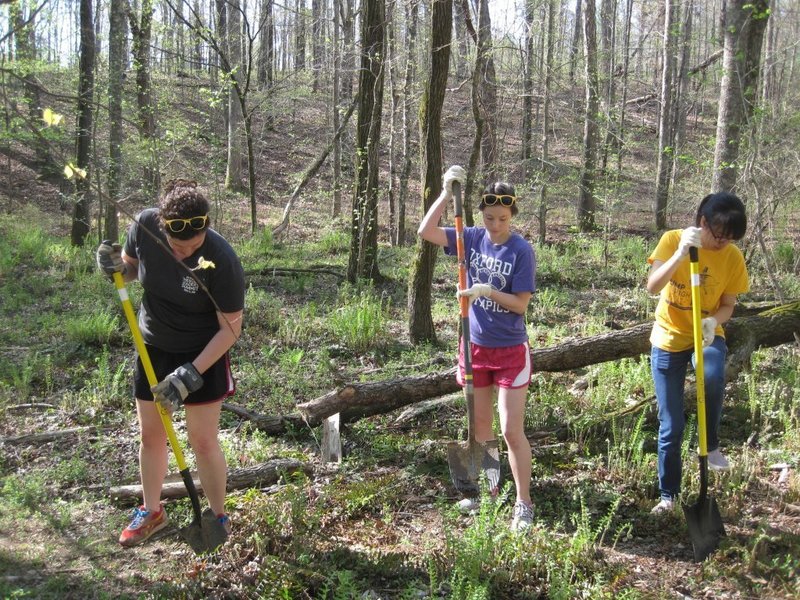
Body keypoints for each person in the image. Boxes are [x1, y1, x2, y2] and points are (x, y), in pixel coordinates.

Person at [97, 179, 245, 546]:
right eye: (178, 247)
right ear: (163, 226)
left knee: (202, 439)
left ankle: (218, 516)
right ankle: (152, 511)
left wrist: (192, 373)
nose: (185, 253)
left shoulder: (222, 259)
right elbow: (131, 270)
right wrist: (114, 267)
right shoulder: (145, 226)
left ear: (206, 230)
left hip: (203, 354)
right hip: (154, 348)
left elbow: (230, 329)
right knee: (151, 434)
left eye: (193, 246)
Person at [418, 165, 537, 531]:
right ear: (480, 214)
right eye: (489, 217)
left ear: (512, 215)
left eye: (502, 218)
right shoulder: (469, 236)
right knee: (480, 427)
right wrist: (444, 192)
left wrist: (487, 291)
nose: (495, 225)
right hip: (475, 348)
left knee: (510, 430)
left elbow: (520, 304)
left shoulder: (521, 251)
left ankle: (523, 503)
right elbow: (425, 231)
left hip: (509, 351)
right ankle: (490, 492)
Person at [646, 192, 749, 514]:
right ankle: (668, 495)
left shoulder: (732, 257)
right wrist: (680, 253)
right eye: (719, 235)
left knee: (713, 375)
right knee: (671, 425)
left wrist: (711, 322)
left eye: (731, 238)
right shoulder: (672, 239)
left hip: (706, 333)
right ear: (703, 222)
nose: (724, 244)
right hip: (668, 337)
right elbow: (652, 286)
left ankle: (711, 443)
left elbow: (729, 305)